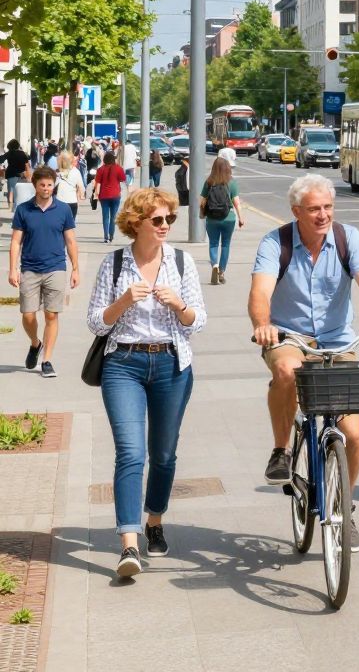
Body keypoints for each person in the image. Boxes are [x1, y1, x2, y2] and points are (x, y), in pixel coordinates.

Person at [249, 175, 359, 553]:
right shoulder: (275, 242)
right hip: (289, 337)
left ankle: (344, 506)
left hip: (338, 340)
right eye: (314, 209)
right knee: (286, 371)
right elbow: (260, 292)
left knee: (355, 434)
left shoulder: (349, 239)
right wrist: (263, 326)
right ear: (296, 211)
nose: (323, 215)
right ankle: (281, 451)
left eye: (328, 207)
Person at [85, 187, 205, 579]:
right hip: (124, 363)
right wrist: (122, 302)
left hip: (172, 363)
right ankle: (129, 544)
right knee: (131, 453)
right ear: (136, 223)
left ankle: (154, 518)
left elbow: (198, 321)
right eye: (158, 220)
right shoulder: (115, 264)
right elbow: (95, 322)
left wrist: (179, 306)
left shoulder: (183, 263)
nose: (166, 225)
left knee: (164, 455)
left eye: (169, 218)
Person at [8, 167, 80, 379]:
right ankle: (35, 343)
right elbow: (15, 241)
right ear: (35, 185)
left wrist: (75, 268)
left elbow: (70, 240)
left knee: (51, 314)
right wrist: (12, 269)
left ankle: (47, 360)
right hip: (29, 267)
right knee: (28, 314)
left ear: (53, 185)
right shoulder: (23, 210)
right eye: (42, 185)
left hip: (56, 267)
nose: (46, 189)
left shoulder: (63, 210)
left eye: (50, 185)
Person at [199, 157, 245, 285]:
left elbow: (201, 201)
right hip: (228, 218)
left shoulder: (209, 182)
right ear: (227, 168)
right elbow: (237, 202)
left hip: (212, 218)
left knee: (213, 243)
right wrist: (241, 218)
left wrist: (203, 212)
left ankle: (215, 265)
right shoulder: (231, 182)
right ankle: (222, 271)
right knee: (225, 245)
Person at [90, 150, 129, 243]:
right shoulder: (118, 168)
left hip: (104, 195)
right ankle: (111, 235)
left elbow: (97, 182)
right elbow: (123, 179)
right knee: (113, 217)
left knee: (105, 216)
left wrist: (95, 194)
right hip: (115, 195)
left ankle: (105, 236)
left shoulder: (100, 169)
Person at [54, 150, 85, 220]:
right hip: (72, 201)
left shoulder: (57, 172)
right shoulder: (76, 171)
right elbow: (81, 188)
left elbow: (52, 186)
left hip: (59, 202)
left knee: (59, 225)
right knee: (69, 227)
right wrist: (80, 198)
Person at [4, 138, 30, 208]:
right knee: (19, 191)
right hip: (21, 174)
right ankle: (18, 205)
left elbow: (1, 159)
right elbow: (27, 163)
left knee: (11, 190)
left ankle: (11, 206)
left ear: (9, 146)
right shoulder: (22, 153)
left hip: (11, 174)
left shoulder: (9, 153)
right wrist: (28, 175)